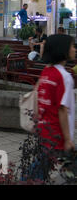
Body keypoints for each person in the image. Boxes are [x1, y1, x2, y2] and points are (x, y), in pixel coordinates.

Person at [29, 34, 75, 180]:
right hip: (57, 132)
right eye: (72, 46)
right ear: (63, 50)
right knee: (42, 168)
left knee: (44, 165)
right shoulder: (65, 76)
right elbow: (62, 109)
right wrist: (68, 139)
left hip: (44, 128)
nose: (75, 49)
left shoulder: (47, 71)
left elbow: (37, 94)